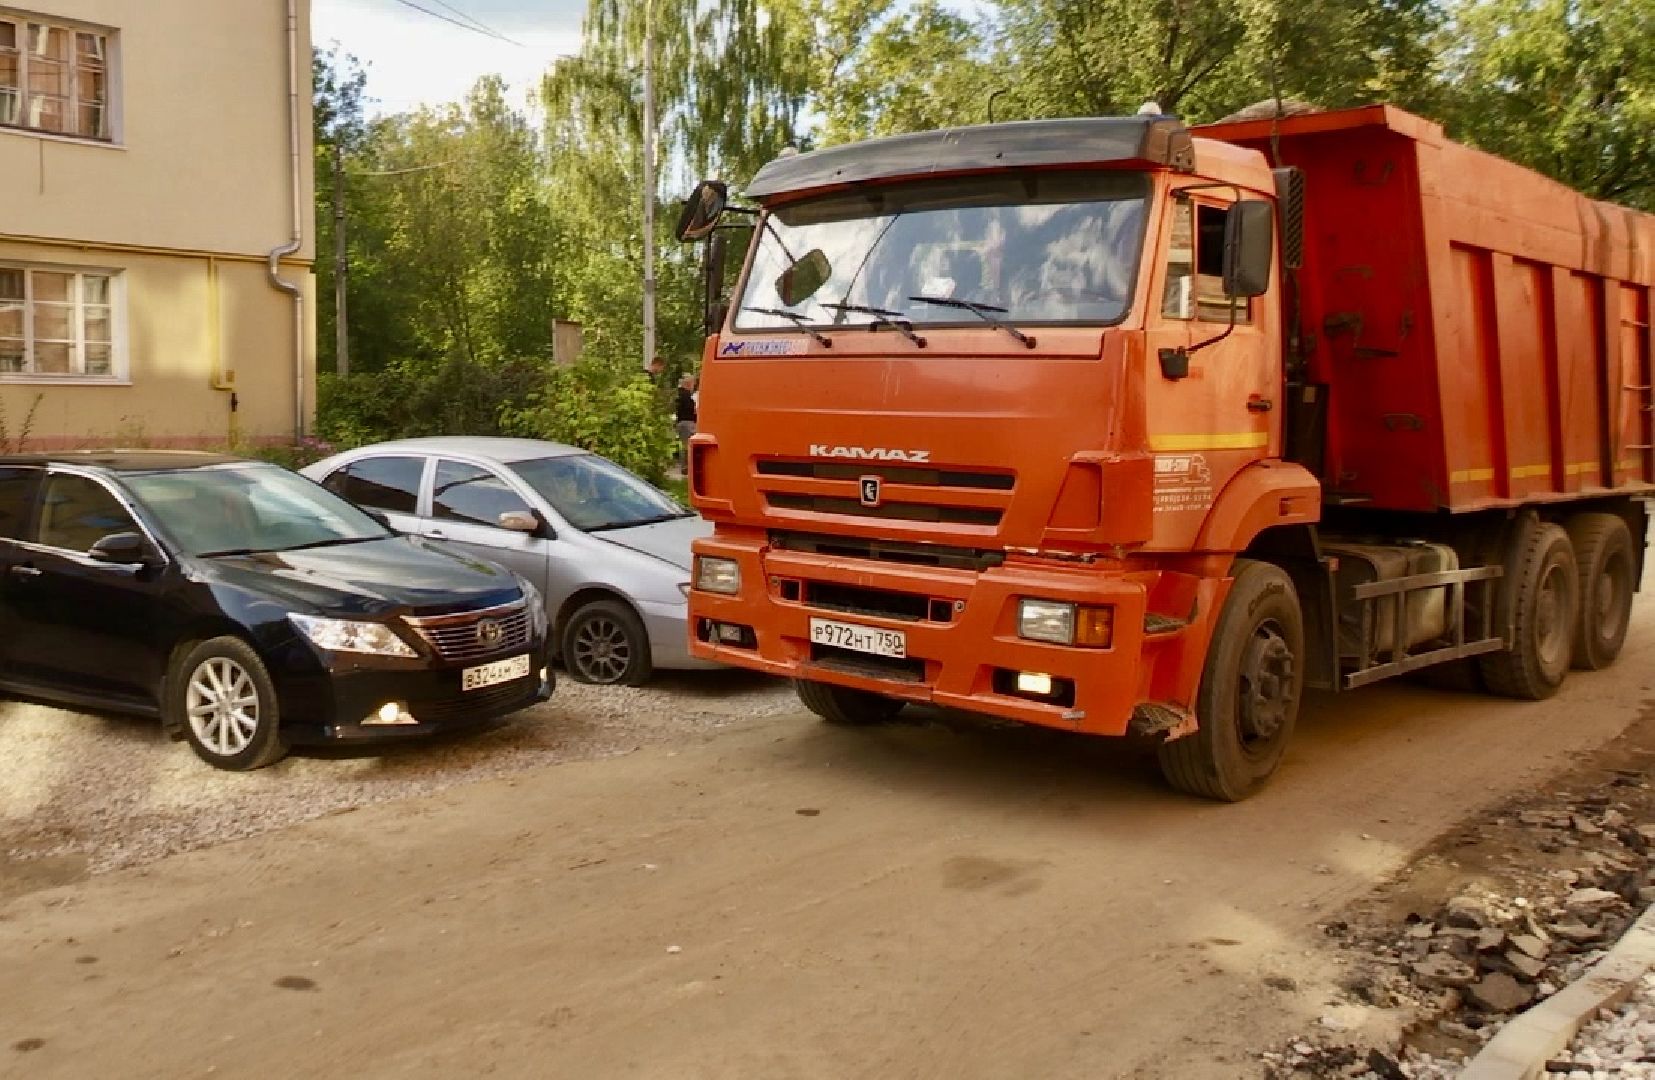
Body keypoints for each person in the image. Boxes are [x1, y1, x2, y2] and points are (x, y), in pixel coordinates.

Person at [675, 374, 698, 469]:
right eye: (693, 384)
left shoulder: (679, 394)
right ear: (689, 384)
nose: (693, 386)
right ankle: (687, 467)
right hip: (688, 422)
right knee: (688, 445)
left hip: (681, 422)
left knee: (684, 444)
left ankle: (685, 466)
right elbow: (690, 409)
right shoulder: (686, 396)